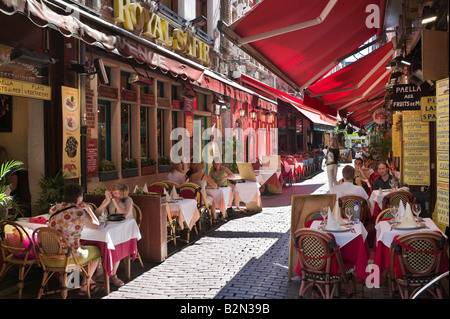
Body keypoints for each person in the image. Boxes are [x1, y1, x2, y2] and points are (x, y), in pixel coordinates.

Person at [47, 183, 102, 296]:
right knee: (96, 251)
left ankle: (76, 282)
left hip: (50, 254)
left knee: (73, 247)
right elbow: (95, 225)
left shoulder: (54, 208)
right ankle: (85, 285)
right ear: (79, 198)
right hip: (68, 256)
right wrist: (88, 209)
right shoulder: (78, 212)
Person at [94, 182, 133, 287]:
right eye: (114, 192)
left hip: (126, 229)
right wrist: (107, 201)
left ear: (123, 195)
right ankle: (101, 273)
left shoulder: (128, 200)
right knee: (100, 243)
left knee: (116, 245)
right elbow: (97, 213)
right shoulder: (109, 199)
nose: (115, 194)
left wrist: (115, 202)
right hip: (112, 227)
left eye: (118, 193)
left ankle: (113, 275)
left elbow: (124, 214)